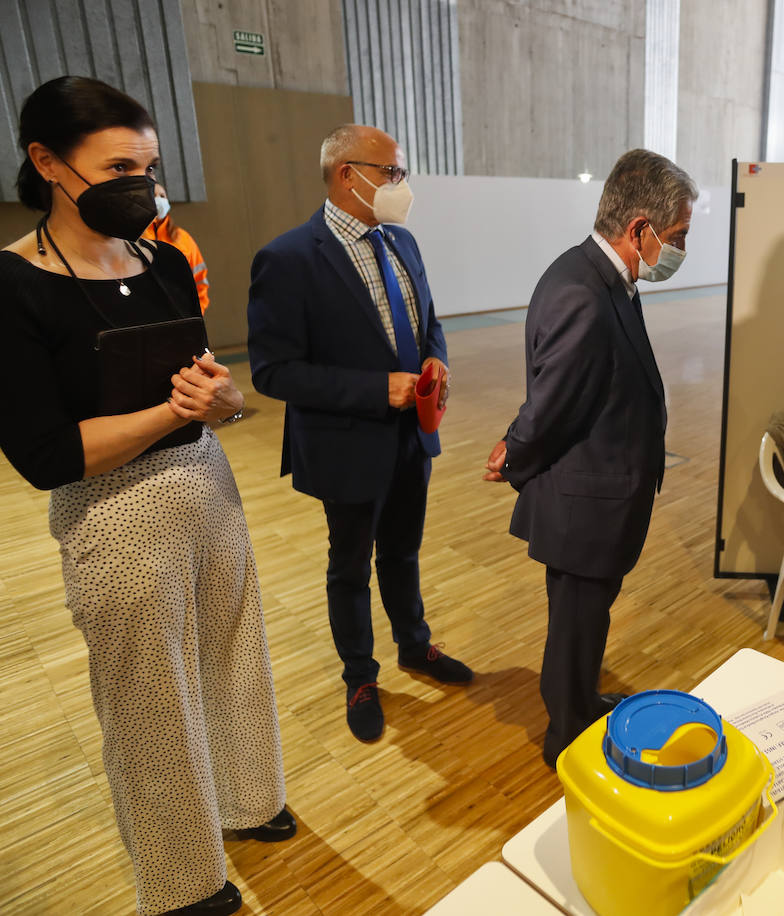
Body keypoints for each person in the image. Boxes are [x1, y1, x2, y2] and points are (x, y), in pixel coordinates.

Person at [0, 76, 289, 916]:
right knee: (149, 698)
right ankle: (185, 884)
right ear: (47, 162)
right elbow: (45, 454)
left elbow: (215, 389)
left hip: (207, 484)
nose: (139, 185)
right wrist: (171, 412)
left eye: (148, 165)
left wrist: (226, 402)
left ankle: (249, 800)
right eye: (117, 166)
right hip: (113, 512)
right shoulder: (3, 285)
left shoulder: (168, 259)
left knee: (233, 654)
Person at [247, 123, 471, 744]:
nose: (401, 185)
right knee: (349, 567)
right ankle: (360, 676)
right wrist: (379, 389)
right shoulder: (288, 258)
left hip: (411, 436)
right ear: (349, 174)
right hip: (347, 444)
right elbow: (273, 371)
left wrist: (436, 358)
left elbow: (430, 322)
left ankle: (414, 646)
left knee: (402, 551)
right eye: (392, 172)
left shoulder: (402, 243)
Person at [482, 148, 697, 768]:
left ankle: (578, 701)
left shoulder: (604, 278)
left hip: (602, 493)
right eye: (677, 236)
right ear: (639, 230)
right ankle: (567, 738)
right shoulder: (582, 291)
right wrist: (515, 454)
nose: (681, 250)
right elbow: (555, 402)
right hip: (586, 501)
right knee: (576, 621)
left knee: (585, 618)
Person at [144, 182, 210, 314]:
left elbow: (200, 280)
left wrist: (196, 313)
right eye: (154, 195)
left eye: (163, 196)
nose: (159, 200)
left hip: (181, 316)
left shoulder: (182, 238)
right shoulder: (134, 238)